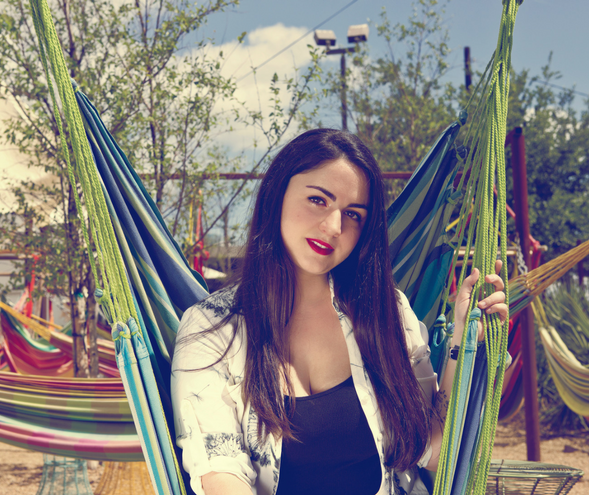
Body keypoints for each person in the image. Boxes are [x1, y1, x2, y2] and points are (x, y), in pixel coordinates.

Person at [171, 129, 508, 495]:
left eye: (353, 214)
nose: (334, 227)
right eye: (318, 200)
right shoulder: (212, 327)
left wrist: (463, 338)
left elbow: (436, 453)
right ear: (277, 194)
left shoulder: (387, 312)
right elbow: (219, 473)